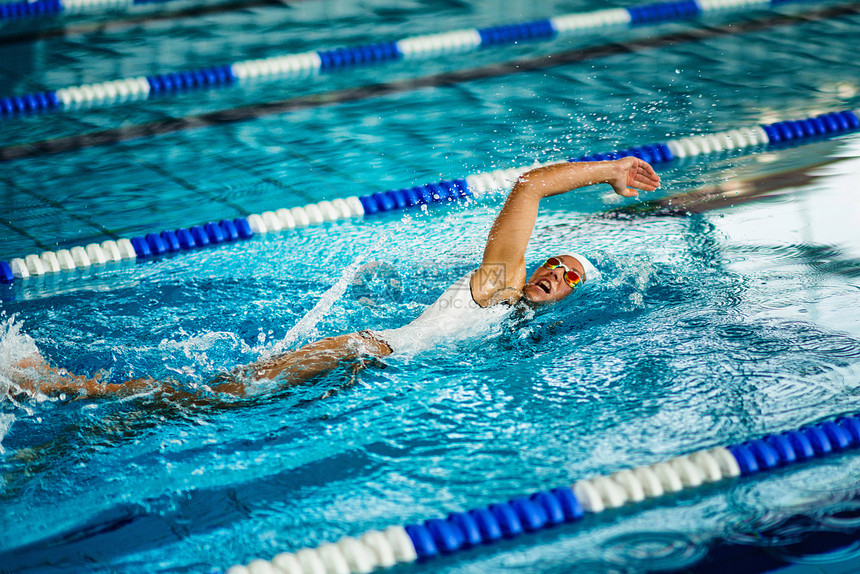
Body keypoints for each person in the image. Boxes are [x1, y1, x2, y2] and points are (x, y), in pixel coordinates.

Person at [6, 158, 659, 401]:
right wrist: (607, 171)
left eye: (570, 278)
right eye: (557, 265)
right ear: (540, 265)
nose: (558, 277)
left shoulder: (513, 322)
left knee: (200, 401)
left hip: (363, 362)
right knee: (207, 398)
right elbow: (529, 185)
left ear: (571, 293)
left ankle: (60, 395)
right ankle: (47, 383)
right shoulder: (499, 282)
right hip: (359, 348)